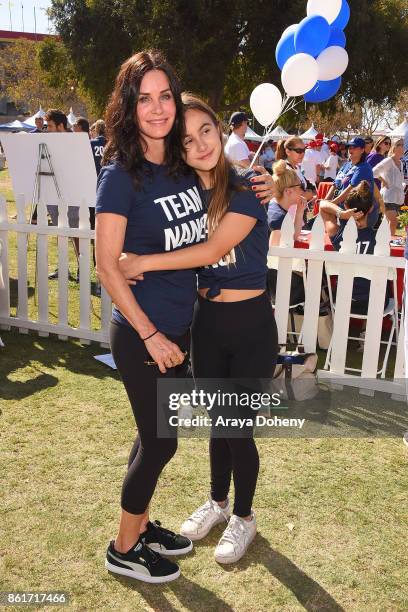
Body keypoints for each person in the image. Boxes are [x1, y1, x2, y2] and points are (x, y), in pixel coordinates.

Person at [96, 51, 275, 582]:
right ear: (128, 108)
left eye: (164, 95)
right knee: (162, 442)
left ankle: (146, 527)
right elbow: (108, 266)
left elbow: (224, 200)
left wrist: (271, 184)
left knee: (155, 436)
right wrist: (149, 333)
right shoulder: (121, 176)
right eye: (143, 98)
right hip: (145, 334)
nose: (156, 108)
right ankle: (124, 548)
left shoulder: (180, 171)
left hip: (183, 331)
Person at [320, 181, 391, 315]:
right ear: (370, 209)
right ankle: (366, 330)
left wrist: (341, 213)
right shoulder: (381, 240)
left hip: (343, 301)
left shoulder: (338, 236)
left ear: (346, 206)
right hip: (376, 304)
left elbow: (322, 205)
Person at [44, 109, 80, 279]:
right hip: (53, 194)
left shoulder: (75, 141)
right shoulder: (48, 142)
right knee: (61, 230)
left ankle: (82, 268)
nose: (47, 129)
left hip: (73, 194)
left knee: (78, 232)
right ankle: (63, 268)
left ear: (60, 126)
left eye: (50, 126)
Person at [267, 160, 306, 304]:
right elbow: (274, 261)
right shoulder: (277, 219)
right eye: (300, 187)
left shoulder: (278, 208)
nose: (303, 191)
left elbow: (293, 236)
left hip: (278, 278)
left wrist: (300, 211)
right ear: (288, 191)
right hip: (276, 285)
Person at [326, 136, 378, 226]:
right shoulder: (346, 165)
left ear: (362, 150)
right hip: (343, 210)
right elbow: (335, 184)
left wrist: (331, 204)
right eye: (349, 147)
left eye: (354, 147)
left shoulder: (364, 167)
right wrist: (326, 200)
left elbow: (350, 189)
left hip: (360, 213)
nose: (350, 149)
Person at [373, 139, 406, 235]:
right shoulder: (388, 161)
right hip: (388, 196)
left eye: (403, 145)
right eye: (400, 145)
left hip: (398, 197)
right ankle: (388, 242)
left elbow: (401, 180)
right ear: (394, 147)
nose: (402, 147)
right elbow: (373, 172)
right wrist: (383, 180)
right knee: (393, 221)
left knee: (391, 222)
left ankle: (386, 242)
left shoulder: (401, 163)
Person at [276, 136, 314, 204]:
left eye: (303, 150)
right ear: (288, 151)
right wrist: (309, 194)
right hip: (289, 213)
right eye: (299, 151)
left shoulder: (296, 167)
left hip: (299, 211)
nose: (302, 154)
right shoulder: (285, 169)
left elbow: (307, 187)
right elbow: (292, 198)